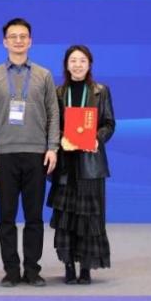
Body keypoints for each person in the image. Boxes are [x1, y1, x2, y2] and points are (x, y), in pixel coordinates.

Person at [0, 18, 59, 287]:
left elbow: (53, 114)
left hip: (37, 153)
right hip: (3, 155)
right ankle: (11, 271)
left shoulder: (43, 75)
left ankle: (33, 270)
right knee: (6, 217)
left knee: (34, 217)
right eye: (13, 36)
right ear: (5, 42)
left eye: (23, 36)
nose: (18, 40)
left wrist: (52, 148)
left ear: (30, 41)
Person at [47, 45, 115, 284]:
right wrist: (60, 139)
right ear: (66, 65)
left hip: (90, 164)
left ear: (89, 64)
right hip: (66, 163)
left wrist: (96, 138)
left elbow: (109, 123)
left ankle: (86, 268)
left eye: (82, 61)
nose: (77, 65)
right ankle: (68, 266)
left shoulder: (100, 91)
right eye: (73, 61)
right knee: (66, 218)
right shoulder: (58, 92)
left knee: (89, 219)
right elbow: (51, 124)